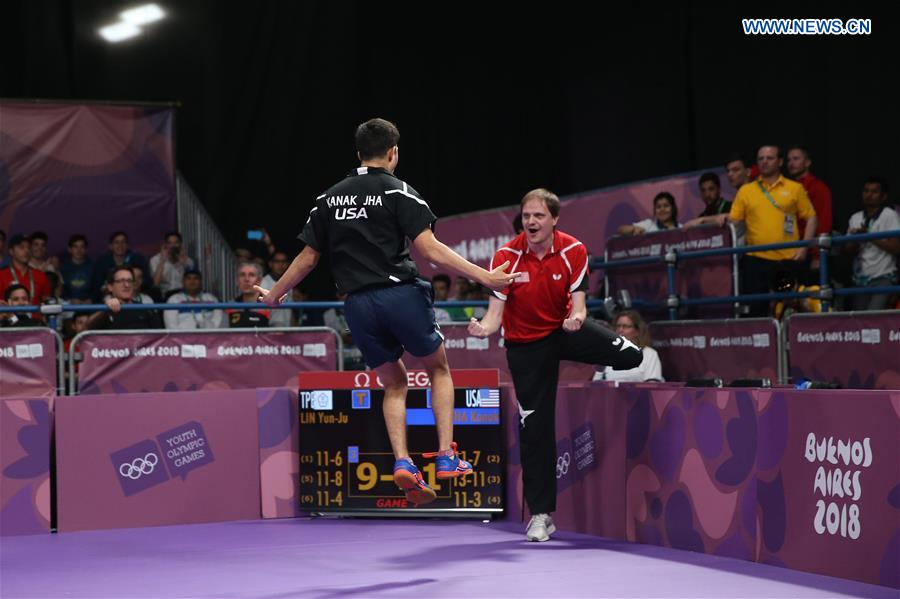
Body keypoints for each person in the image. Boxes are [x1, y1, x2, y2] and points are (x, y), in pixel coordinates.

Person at [257, 117, 516, 507]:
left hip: (357, 307)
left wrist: (275, 296)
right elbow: (429, 250)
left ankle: (403, 462)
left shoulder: (328, 199)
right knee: (438, 369)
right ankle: (446, 453)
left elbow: (308, 258)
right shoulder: (401, 192)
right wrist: (486, 277)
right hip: (400, 296)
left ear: (358, 153)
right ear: (393, 152)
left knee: (394, 383)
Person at [468, 188, 643, 541]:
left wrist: (578, 319)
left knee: (632, 355)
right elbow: (493, 317)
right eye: (526, 216)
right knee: (536, 430)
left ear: (554, 219)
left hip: (564, 330)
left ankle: (602, 373)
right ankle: (541, 515)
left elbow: (578, 304)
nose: (531, 222)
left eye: (538, 216)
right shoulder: (506, 255)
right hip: (526, 347)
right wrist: (481, 328)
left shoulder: (573, 249)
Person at [726, 145, 818, 317]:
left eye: (769, 158)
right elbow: (733, 221)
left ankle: (790, 343)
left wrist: (804, 247)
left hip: (788, 259)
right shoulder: (746, 191)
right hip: (756, 260)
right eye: (761, 159)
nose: (764, 162)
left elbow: (811, 217)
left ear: (780, 161)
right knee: (757, 310)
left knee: (790, 309)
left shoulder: (794, 188)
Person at [844, 176, 900, 311]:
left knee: (874, 317)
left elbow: (896, 248)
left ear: (884, 196)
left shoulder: (889, 215)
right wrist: (857, 239)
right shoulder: (855, 218)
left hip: (883, 277)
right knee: (860, 320)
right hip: (859, 280)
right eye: (866, 191)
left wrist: (869, 236)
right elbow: (846, 250)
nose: (869, 195)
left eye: (874, 192)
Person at [786, 146, 833, 271]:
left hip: (809, 251)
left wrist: (817, 256)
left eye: (796, 159)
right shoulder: (786, 188)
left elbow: (824, 221)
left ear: (807, 162)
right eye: (789, 160)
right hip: (790, 250)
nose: (791, 163)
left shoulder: (818, 187)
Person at [592, 310, 662, 382]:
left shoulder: (649, 354)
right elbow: (596, 383)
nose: (620, 330)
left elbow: (652, 384)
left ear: (637, 331)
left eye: (625, 326)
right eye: (618, 326)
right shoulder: (607, 353)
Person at [85, 265, 163, 330]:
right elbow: (85, 330)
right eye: (121, 281)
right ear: (110, 287)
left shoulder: (146, 309)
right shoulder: (102, 309)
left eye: (129, 281)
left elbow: (160, 337)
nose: (127, 285)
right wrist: (106, 310)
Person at [0, 234, 52, 305]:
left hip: (34, 316)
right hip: (10, 316)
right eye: (21, 247)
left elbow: (47, 303)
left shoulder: (40, 275)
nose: (26, 251)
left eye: (29, 248)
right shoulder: (2, 275)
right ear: (11, 251)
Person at [149, 231, 194, 298]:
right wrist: (162, 261)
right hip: (164, 296)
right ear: (165, 245)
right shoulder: (155, 260)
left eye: (176, 243)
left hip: (183, 295)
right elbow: (156, 284)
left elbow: (192, 283)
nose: (173, 246)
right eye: (170, 243)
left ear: (180, 245)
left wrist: (184, 264)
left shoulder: (188, 261)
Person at [227, 262, 270, 327]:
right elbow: (222, 334)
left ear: (259, 280)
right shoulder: (230, 305)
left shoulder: (269, 305)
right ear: (237, 280)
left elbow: (277, 333)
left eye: (251, 275)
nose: (246, 279)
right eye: (242, 275)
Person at [260, 251, 292, 327]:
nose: (280, 265)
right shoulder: (263, 283)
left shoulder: (290, 281)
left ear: (288, 264)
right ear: (270, 264)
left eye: (283, 262)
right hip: (270, 328)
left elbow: (290, 307)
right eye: (277, 261)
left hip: (287, 328)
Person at [59, 234, 94, 302]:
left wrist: (91, 299)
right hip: (69, 308)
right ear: (69, 249)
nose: (79, 250)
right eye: (75, 247)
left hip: (89, 306)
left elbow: (96, 288)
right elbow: (61, 291)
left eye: (82, 247)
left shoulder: (93, 267)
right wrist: (70, 300)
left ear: (86, 249)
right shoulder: (63, 268)